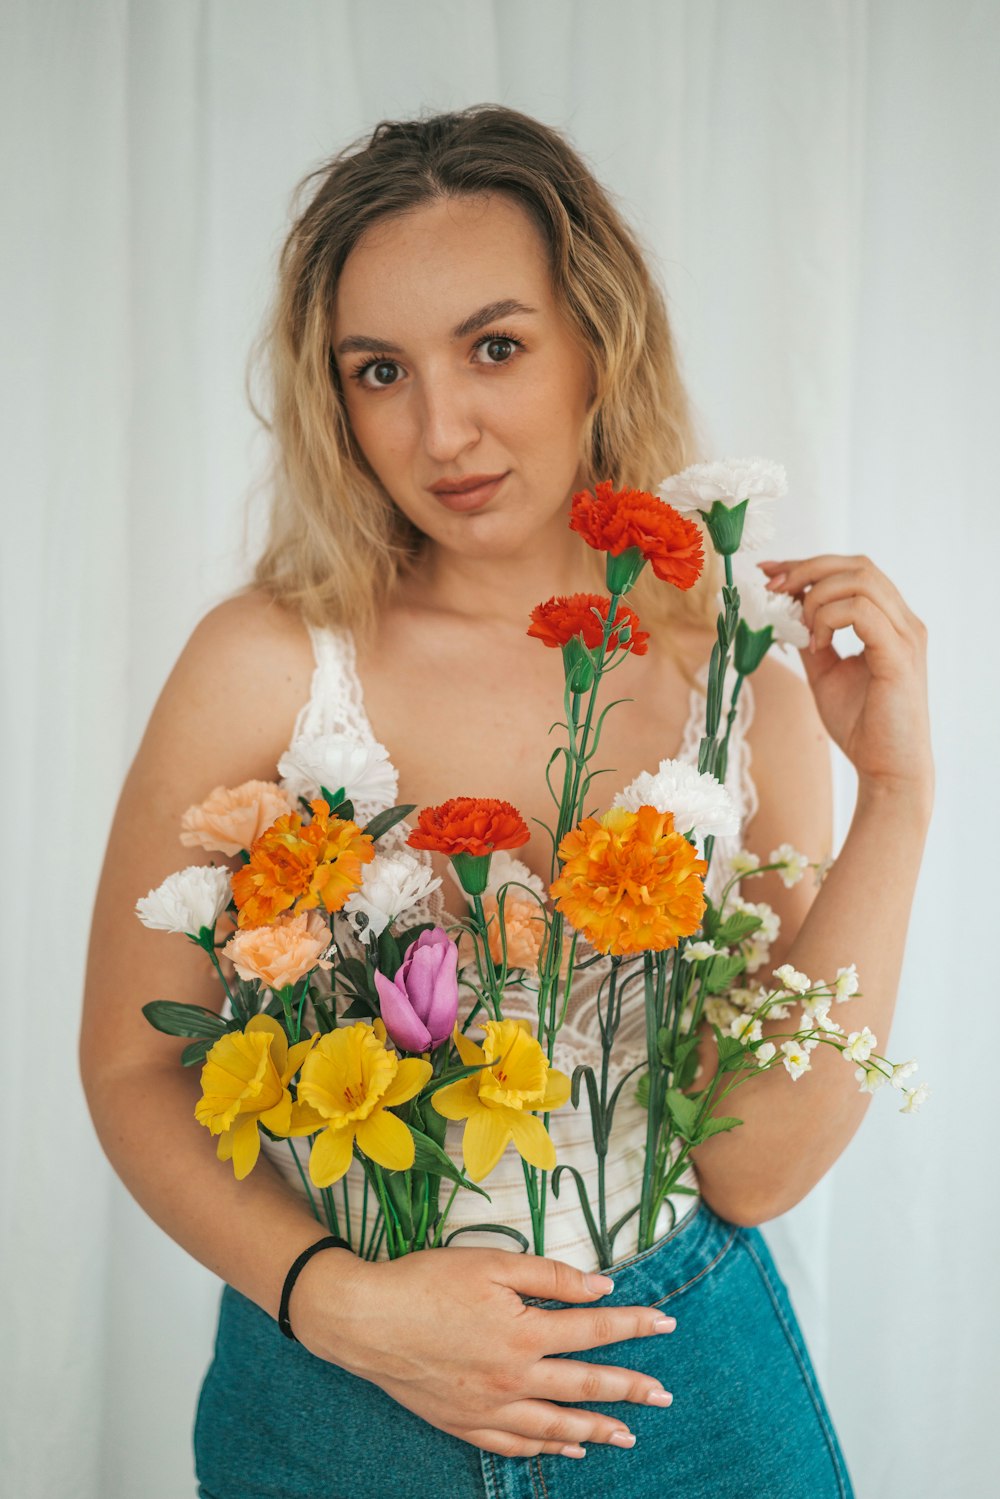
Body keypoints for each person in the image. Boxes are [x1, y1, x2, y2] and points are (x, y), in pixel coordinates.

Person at [79, 106, 933, 1498]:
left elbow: (757, 1169)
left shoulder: (738, 673)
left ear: (600, 338)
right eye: (378, 372)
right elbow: (131, 1068)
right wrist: (335, 1303)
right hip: (334, 1398)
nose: (441, 430)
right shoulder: (267, 662)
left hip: (686, 1392)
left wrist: (897, 790)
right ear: (331, 395)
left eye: (495, 347)